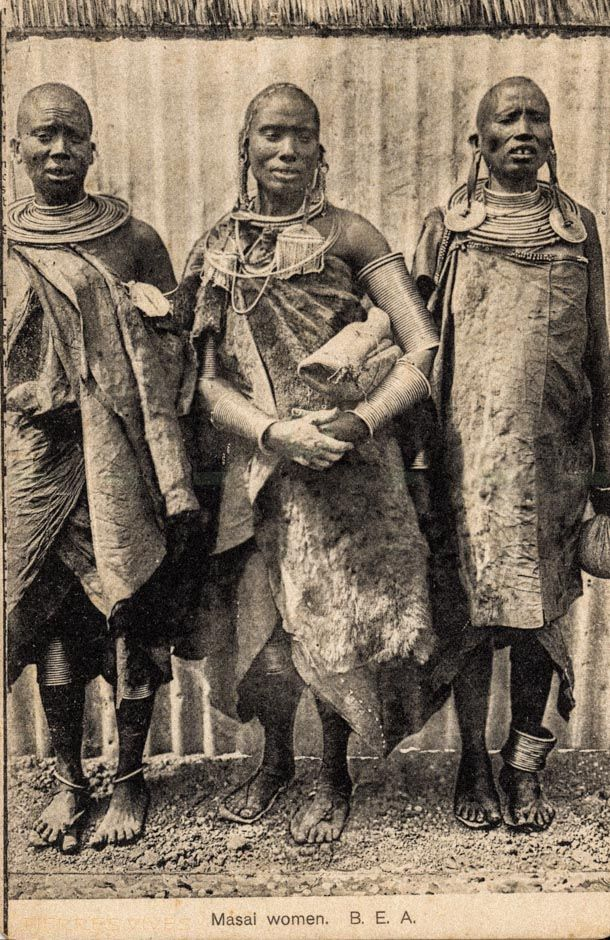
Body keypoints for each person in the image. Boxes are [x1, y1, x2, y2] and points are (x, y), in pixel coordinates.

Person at [176, 82, 444, 844]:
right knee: (265, 624)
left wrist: (361, 421)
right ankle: (273, 765)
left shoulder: (352, 235)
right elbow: (199, 383)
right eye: (270, 135)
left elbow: (423, 346)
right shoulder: (220, 248)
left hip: (347, 471)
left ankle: (331, 771)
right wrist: (269, 434)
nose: (287, 150)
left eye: (302, 136)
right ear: (246, 147)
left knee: (332, 626)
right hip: (260, 465)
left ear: (322, 149)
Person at [412, 76, 610, 832]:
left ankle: (522, 767)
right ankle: (471, 764)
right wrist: (421, 464)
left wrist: (605, 475)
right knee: (472, 621)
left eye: (537, 118)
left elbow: (599, 353)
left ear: (552, 138)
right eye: (508, 118)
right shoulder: (447, 227)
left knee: (537, 621)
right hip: (469, 462)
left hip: (554, 462)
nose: (523, 130)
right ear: (479, 142)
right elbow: (419, 352)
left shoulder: (578, 228)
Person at [6, 83, 199, 852]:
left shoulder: (133, 237)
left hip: (117, 456)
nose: (58, 151)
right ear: (15, 146)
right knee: (51, 620)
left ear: (93, 145)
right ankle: (67, 781)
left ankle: (127, 781)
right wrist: (32, 394)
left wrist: (157, 320)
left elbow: (178, 333)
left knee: (127, 612)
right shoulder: (7, 240)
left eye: (72, 137)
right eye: (41, 136)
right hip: (33, 460)